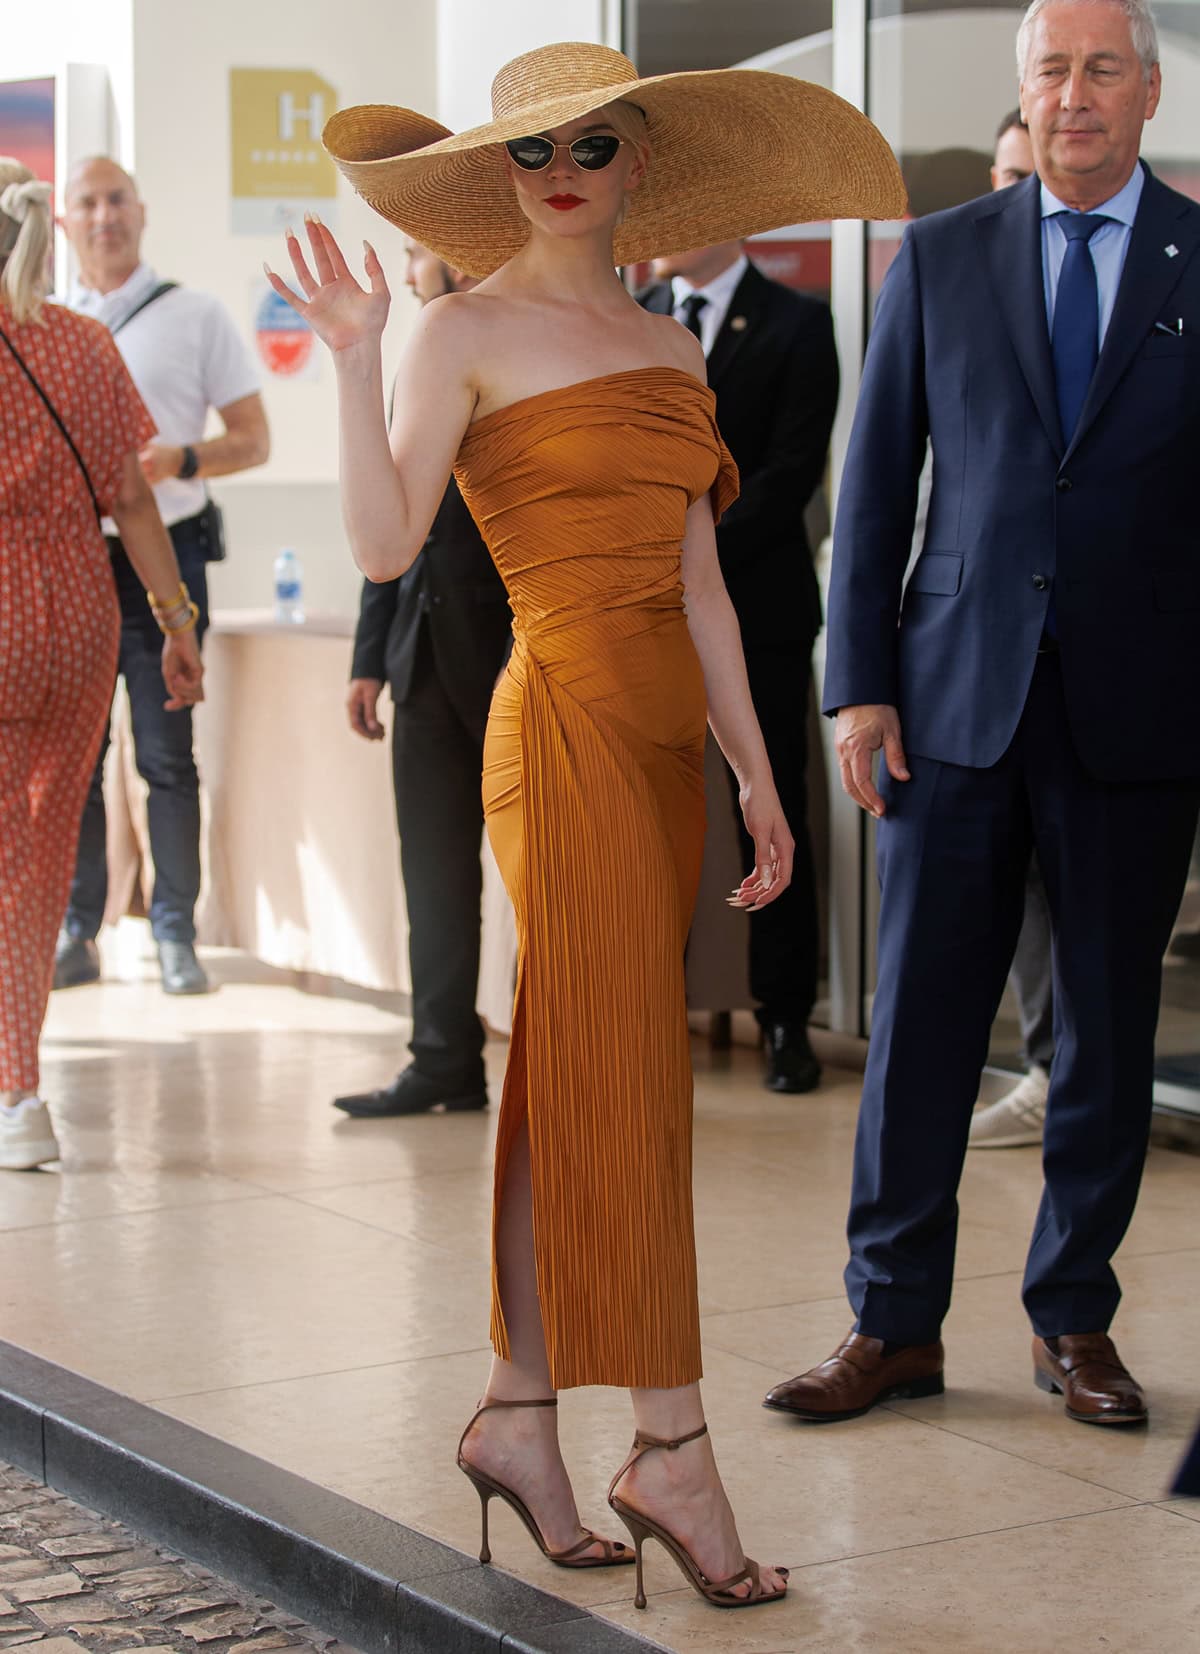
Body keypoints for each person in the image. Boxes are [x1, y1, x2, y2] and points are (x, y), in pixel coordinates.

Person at [267, 41, 901, 1611]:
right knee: (623, 1078)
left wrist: (759, 773)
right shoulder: (458, 330)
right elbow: (385, 536)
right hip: (549, 734)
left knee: (574, 1067)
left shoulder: (671, 350)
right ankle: (670, 1439)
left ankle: (520, 1414)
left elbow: (698, 581)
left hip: (664, 739)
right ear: (498, 176)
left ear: (636, 169)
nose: (559, 178)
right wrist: (355, 358)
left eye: (592, 149)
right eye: (530, 154)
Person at [765, 0, 1200, 1429]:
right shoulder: (940, 256)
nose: (1074, 95)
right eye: (1051, 72)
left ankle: (1073, 1318)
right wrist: (857, 683)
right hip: (949, 704)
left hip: (1140, 713)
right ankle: (891, 1324)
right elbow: (876, 478)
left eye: (1101, 71)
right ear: (1029, 91)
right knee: (921, 1030)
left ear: (1148, 94)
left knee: (1101, 1031)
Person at [0, 161, 203, 1172]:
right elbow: (131, 497)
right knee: (39, 854)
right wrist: (175, 624)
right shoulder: (82, 343)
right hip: (83, 605)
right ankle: (19, 1094)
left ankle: (11, 1086)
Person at [54, 157, 269, 997]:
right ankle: (79, 927)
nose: (103, 216)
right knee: (75, 757)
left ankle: (175, 929)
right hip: (69, 562)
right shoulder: (43, 321)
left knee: (168, 755)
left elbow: (254, 441)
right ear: (63, 221)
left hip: (168, 560)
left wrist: (183, 456)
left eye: (116, 200)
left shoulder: (195, 314)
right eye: (87, 203)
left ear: (140, 213)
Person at [638, 242, 839, 1094]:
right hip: (640, 611)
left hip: (758, 609)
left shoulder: (798, 321)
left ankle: (785, 1017)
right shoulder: (632, 314)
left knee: (771, 800)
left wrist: (689, 552)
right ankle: (648, 1012)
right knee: (648, 814)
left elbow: (794, 468)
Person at [333, 241, 511, 1120]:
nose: (406, 272)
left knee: (542, 881)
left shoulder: (522, 342)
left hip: (520, 658)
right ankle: (444, 1058)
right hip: (422, 659)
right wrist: (371, 657)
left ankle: (570, 1064)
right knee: (434, 877)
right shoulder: (423, 352)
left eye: (413, 253)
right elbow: (389, 514)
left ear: (457, 250)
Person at [970, 107, 1057, 1149]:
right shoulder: (957, 280)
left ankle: (1066, 1071)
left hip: (1101, 660)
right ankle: (1042, 1063)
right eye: (1007, 173)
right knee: (1014, 889)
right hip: (976, 663)